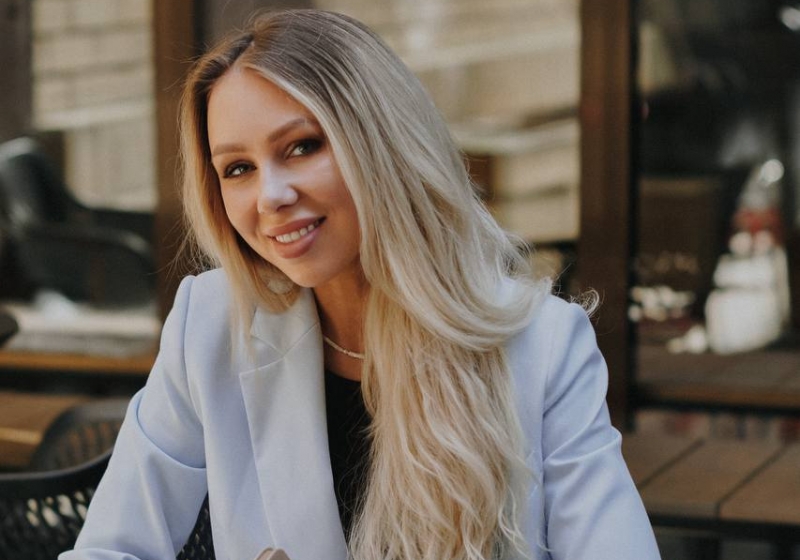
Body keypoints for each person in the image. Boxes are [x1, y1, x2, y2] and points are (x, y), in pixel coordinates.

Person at [60, 9, 661, 560]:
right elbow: (110, 550)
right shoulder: (211, 323)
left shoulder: (542, 345)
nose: (270, 195)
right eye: (238, 168)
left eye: (301, 147)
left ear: (381, 145)